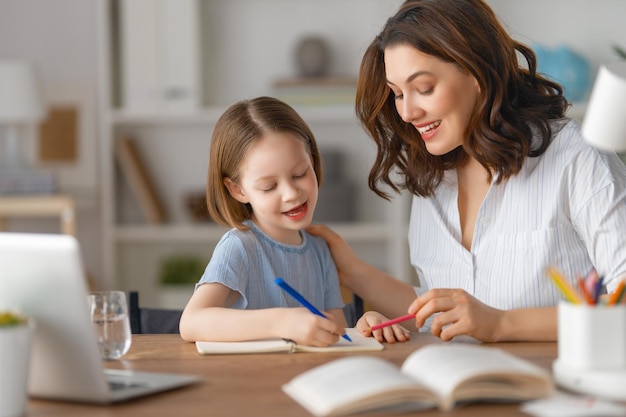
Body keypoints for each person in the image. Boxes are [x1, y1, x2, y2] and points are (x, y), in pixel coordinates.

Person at [308, 0, 626, 343]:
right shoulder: (432, 181)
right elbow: (449, 311)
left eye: (424, 88)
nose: (407, 112)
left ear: (476, 74)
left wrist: (502, 324)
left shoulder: (575, 157)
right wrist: (355, 276)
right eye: (398, 94)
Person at [179, 96, 348, 345]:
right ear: (238, 190)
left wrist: (367, 325)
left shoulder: (320, 249)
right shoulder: (240, 247)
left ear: (312, 158)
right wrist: (282, 322)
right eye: (269, 187)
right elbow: (191, 323)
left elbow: (337, 330)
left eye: (300, 173)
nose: (291, 194)